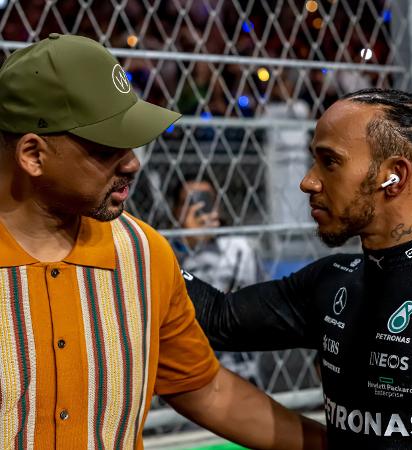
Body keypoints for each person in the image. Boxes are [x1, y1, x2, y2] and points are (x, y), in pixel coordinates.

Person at [0, 33, 316, 450]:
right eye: (105, 148)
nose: (132, 162)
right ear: (34, 155)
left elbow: (206, 391)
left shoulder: (144, 252)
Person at [184, 88, 412, 449]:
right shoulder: (332, 280)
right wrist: (135, 241)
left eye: (330, 161)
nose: (307, 181)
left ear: (393, 177)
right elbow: (218, 317)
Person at [172, 177, 261, 292]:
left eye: (206, 201)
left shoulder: (240, 247)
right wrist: (190, 241)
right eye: (191, 202)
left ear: (217, 207)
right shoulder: (166, 248)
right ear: (176, 210)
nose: (200, 209)